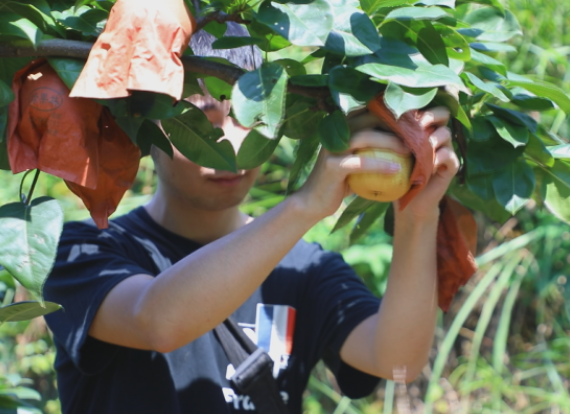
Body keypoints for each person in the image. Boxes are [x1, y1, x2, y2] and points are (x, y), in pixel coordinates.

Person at [43, 25, 460, 414]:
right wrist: (304, 206)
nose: (233, 146)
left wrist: (418, 217)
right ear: (147, 123)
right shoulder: (82, 253)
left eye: (250, 119)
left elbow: (398, 362)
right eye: (203, 120)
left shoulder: (307, 271)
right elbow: (157, 322)